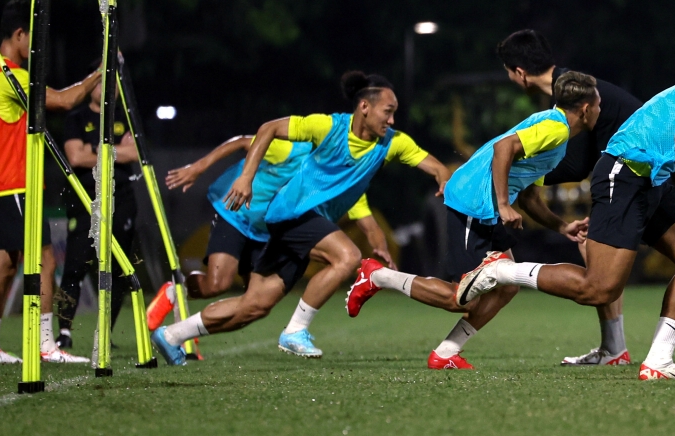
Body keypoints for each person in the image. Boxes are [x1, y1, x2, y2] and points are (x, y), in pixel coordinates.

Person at [457, 41, 675, 380]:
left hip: (651, 177)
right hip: (624, 173)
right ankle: (501, 272)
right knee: (598, 289)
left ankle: (658, 361)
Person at [150, 72, 451, 365]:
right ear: (364, 107)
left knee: (253, 307)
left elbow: (435, 168)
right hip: (291, 213)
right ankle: (295, 330)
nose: (392, 120)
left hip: (290, 226)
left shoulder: (392, 143)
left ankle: (173, 334)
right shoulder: (326, 126)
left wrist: (444, 182)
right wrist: (245, 177)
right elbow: (266, 129)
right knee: (347, 257)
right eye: (388, 111)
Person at [345, 71, 599, 369]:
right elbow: (503, 149)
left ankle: (445, 353)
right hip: (474, 203)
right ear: (584, 108)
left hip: (486, 206)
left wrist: (561, 226)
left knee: (507, 286)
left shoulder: (557, 136)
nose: (600, 109)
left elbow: (529, 195)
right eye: (598, 103)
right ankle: (377, 276)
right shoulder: (555, 128)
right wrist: (504, 204)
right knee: (459, 299)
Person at [497, 29, 642, 366]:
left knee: (598, 260)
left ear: (519, 72)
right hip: (638, 175)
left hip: (637, 177)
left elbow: (576, 165)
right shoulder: (572, 87)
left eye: (507, 71)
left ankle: (632, 352)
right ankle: (616, 350)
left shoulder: (571, 96)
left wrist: (523, 172)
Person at [0, 0, 99, 364]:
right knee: (44, 260)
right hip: (13, 183)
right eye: (33, 38)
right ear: (19, 34)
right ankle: (46, 346)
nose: (36, 47)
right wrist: (100, 73)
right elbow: (63, 100)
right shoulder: (9, 75)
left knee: (3, 266)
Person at [148, 135, 390, 327]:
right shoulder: (296, 150)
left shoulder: (339, 181)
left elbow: (368, 222)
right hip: (234, 213)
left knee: (254, 305)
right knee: (217, 284)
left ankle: (183, 332)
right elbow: (242, 141)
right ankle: (175, 289)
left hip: (265, 232)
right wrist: (198, 167)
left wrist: (382, 251)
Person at [55, 74, 139, 349]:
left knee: (120, 270)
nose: (109, 89)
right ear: (91, 86)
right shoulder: (76, 119)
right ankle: (64, 332)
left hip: (122, 198)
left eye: (113, 84)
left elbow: (135, 154)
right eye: (103, 82)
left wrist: (94, 149)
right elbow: (75, 158)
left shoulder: (125, 117)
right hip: (86, 199)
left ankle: (105, 332)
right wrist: (115, 149)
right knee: (75, 267)